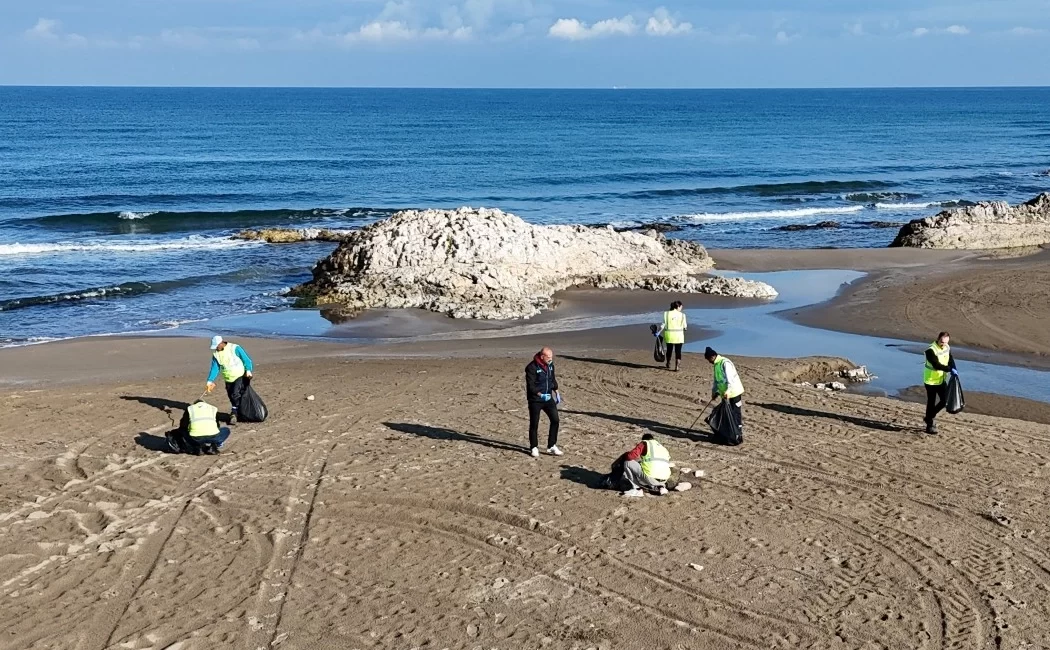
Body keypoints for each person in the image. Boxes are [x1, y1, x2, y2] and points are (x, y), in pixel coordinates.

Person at [205, 335, 254, 423]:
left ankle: (234, 412)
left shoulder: (235, 348)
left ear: (221, 343)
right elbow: (215, 368)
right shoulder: (216, 354)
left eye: (217, 346)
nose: (216, 348)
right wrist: (210, 380)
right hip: (228, 378)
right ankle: (238, 412)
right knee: (231, 396)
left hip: (239, 375)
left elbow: (246, 360)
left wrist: (248, 370)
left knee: (235, 394)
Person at [525, 347, 563, 458]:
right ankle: (534, 447)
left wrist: (556, 391)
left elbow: (552, 379)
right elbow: (531, 386)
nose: (551, 359)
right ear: (542, 356)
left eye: (552, 357)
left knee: (555, 420)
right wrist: (541, 395)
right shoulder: (531, 367)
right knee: (534, 424)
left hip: (548, 398)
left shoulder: (550, 365)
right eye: (549, 357)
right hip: (535, 400)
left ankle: (551, 445)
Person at [703, 347, 745, 443]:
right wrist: (715, 392)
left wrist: (728, 392)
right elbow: (717, 381)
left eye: (709, 359)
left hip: (734, 392)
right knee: (726, 414)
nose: (709, 362)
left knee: (735, 413)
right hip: (725, 394)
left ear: (713, 356)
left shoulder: (725, 363)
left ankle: (738, 434)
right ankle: (729, 432)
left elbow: (731, 380)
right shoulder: (716, 364)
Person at [922, 331, 957, 435]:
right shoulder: (930, 350)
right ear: (938, 339)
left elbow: (950, 358)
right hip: (930, 381)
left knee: (945, 400)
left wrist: (954, 368)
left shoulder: (947, 347)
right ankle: (929, 425)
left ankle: (929, 417)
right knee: (931, 402)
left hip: (941, 380)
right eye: (942, 342)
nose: (944, 344)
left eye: (946, 342)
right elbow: (936, 365)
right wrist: (949, 369)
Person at [166, 400, 231, 455]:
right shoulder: (213, 409)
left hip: (195, 437)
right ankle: (213, 446)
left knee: (184, 431)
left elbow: (183, 426)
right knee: (226, 430)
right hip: (213, 437)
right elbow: (217, 426)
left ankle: (198, 447)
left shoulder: (190, 409)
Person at [616, 433, 672, 497]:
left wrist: (626, 455)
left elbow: (630, 456)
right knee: (652, 469)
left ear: (644, 439)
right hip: (664, 479)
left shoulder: (645, 443)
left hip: (651, 478)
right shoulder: (662, 448)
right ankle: (661, 487)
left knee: (628, 463)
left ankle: (637, 489)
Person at [656, 300, 687, 371]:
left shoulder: (666, 314)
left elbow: (662, 325)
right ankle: (677, 367)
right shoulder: (682, 315)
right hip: (679, 336)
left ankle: (668, 363)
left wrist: (658, 332)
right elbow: (685, 327)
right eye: (681, 306)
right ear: (678, 306)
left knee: (669, 350)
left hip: (669, 335)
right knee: (678, 351)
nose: (682, 308)